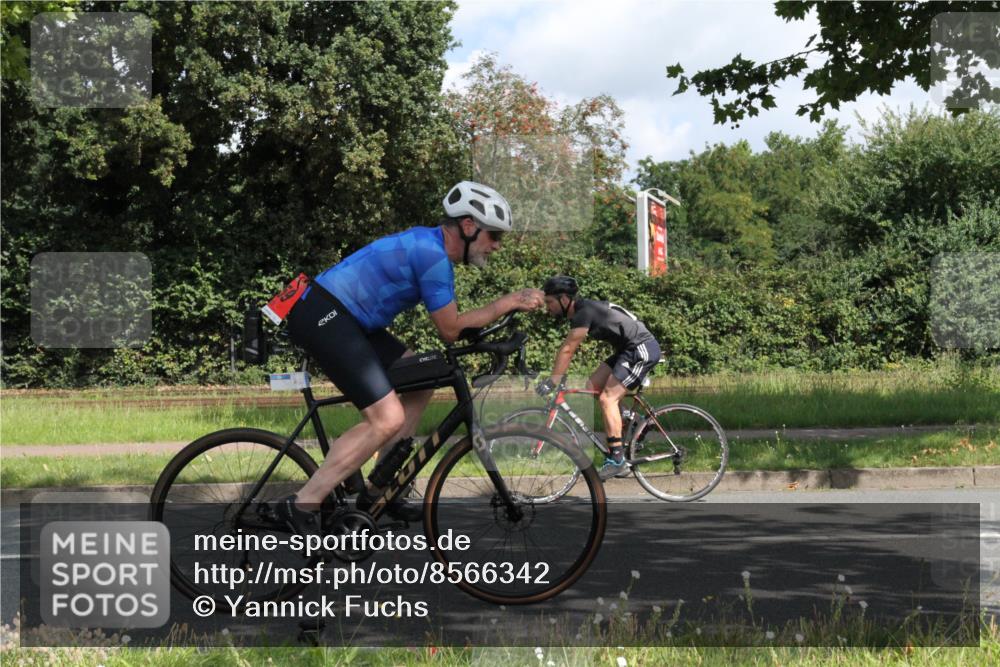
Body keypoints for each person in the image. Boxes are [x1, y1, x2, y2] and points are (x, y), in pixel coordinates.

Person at [276, 182, 544, 534]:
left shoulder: (430, 247)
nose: (496, 245)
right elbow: (450, 329)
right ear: (467, 226)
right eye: (493, 235)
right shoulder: (430, 255)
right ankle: (302, 504)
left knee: (421, 381)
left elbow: (456, 329)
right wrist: (507, 303)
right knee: (385, 419)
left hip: (351, 321)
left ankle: (379, 487)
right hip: (325, 314)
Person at [536, 276, 661, 480]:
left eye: (549, 302)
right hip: (627, 350)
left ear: (565, 300)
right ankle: (635, 420)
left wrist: (553, 381)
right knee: (592, 386)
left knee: (607, 398)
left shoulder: (584, 312)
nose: (547, 308)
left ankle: (617, 459)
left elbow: (567, 350)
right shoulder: (584, 310)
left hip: (641, 348)